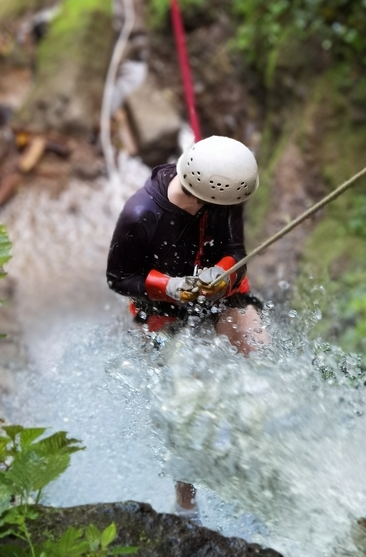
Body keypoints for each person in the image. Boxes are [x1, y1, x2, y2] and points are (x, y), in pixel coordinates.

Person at [106, 135, 269, 517]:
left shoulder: (225, 195)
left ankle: (256, 462)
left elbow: (235, 251)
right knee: (183, 404)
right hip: (162, 310)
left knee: (261, 359)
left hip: (221, 293)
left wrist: (222, 273)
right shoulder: (141, 214)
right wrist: (168, 286)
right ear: (203, 195)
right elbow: (119, 277)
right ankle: (186, 503)